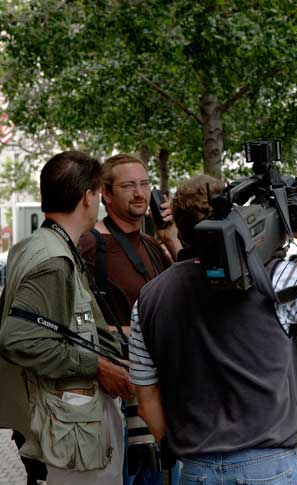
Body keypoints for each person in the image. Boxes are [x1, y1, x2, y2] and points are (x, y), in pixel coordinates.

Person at [129, 175, 297, 484]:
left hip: (196, 470)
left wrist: (184, 449)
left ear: (179, 225)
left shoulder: (149, 298)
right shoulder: (276, 279)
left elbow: (146, 397)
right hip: (269, 468)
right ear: (239, 220)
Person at [0, 151, 133, 484]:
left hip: (65, 422)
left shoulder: (36, 247)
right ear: (87, 197)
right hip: (67, 429)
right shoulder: (52, 259)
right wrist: (96, 366)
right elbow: (16, 338)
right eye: (98, 193)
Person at [78, 154, 181, 485]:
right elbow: (68, 319)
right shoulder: (89, 244)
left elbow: (189, 294)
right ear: (105, 194)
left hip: (156, 400)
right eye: (128, 186)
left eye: (144, 185)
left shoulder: (153, 245)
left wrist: (170, 237)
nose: (139, 194)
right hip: (116, 400)